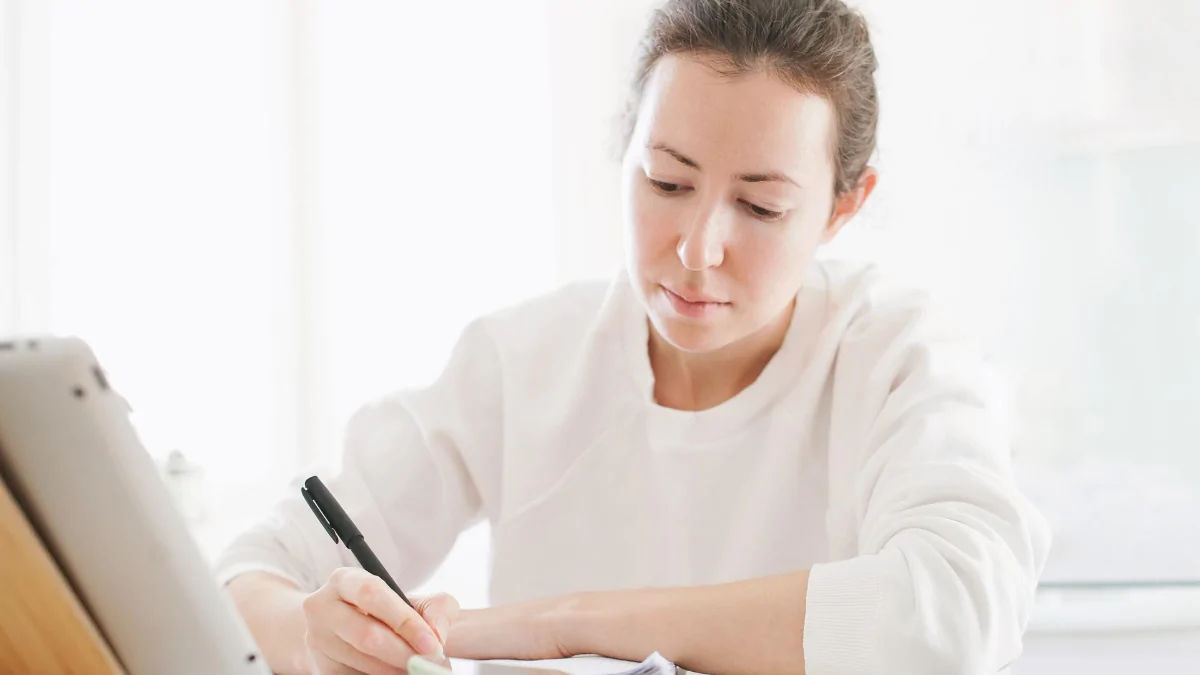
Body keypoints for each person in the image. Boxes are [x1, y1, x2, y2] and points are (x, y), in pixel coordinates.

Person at [218, 1, 1051, 673]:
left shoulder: (898, 358)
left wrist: (561, 626)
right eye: (667, 181)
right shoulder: (523, 361)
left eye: (760, 206)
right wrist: (307, 637)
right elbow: (246, 569)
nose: (696, 249)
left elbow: (955, 609)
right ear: (624, 152)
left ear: (844, 205)